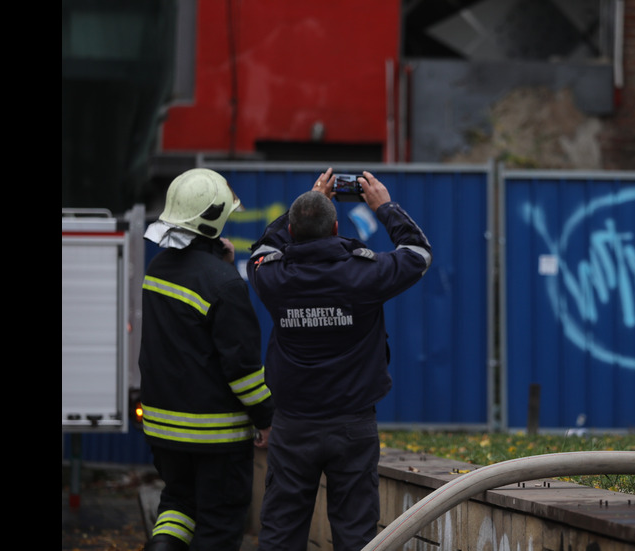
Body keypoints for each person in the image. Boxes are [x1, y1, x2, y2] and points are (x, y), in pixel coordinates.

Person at [247, 168, 432, 551]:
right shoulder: (365, 274)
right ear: (335, 230)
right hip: (353, 425)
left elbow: (263, 249)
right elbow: (417, 253)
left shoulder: (272, 278)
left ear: (292, 233)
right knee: (356, 535)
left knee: (281, 532)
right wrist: (385, 207)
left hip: (292, 424)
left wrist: (311, 201)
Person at [139, 168, 275, 551]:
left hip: (164, 428)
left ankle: (161, 547)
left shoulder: (157, 270)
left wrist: (219, 261)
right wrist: (266, 418)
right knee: (219, 522)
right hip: (216, 435)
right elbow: (243, 370)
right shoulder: (225, 284)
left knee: (179, 505)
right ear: (214, 220)